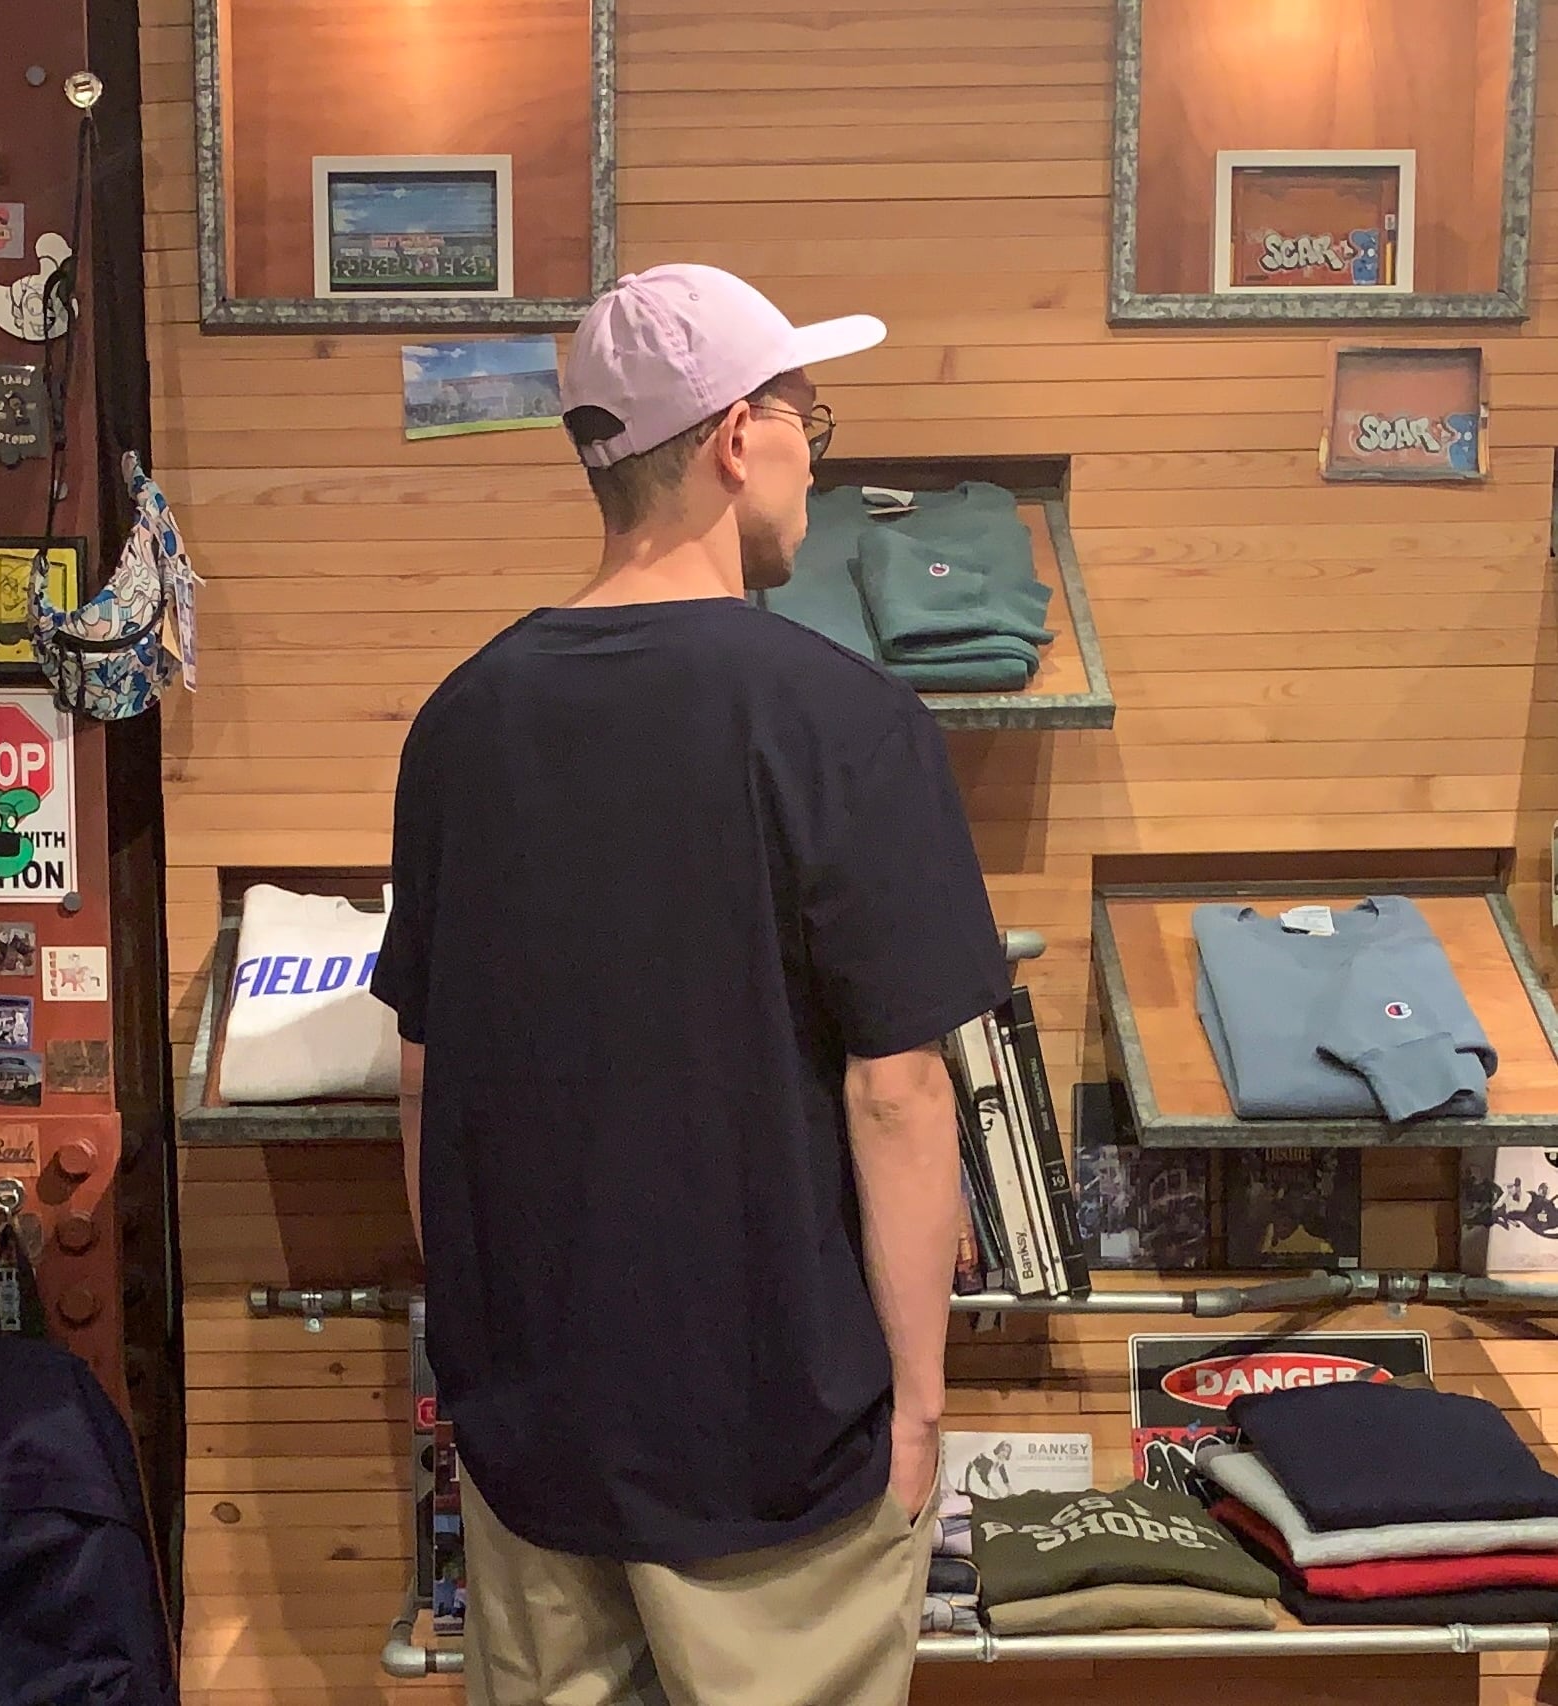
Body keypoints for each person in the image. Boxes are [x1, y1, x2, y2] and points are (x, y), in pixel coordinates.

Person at [372, 263, 1010, 1706]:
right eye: (805, 420)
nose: (812, 461)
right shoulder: (846, 721)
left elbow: (426, 1072)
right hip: (783, 1437)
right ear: (734, 438)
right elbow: (898, 1094)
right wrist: (919, 1405)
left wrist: (482, 1364)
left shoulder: (461, 722)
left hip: (537, 1438)